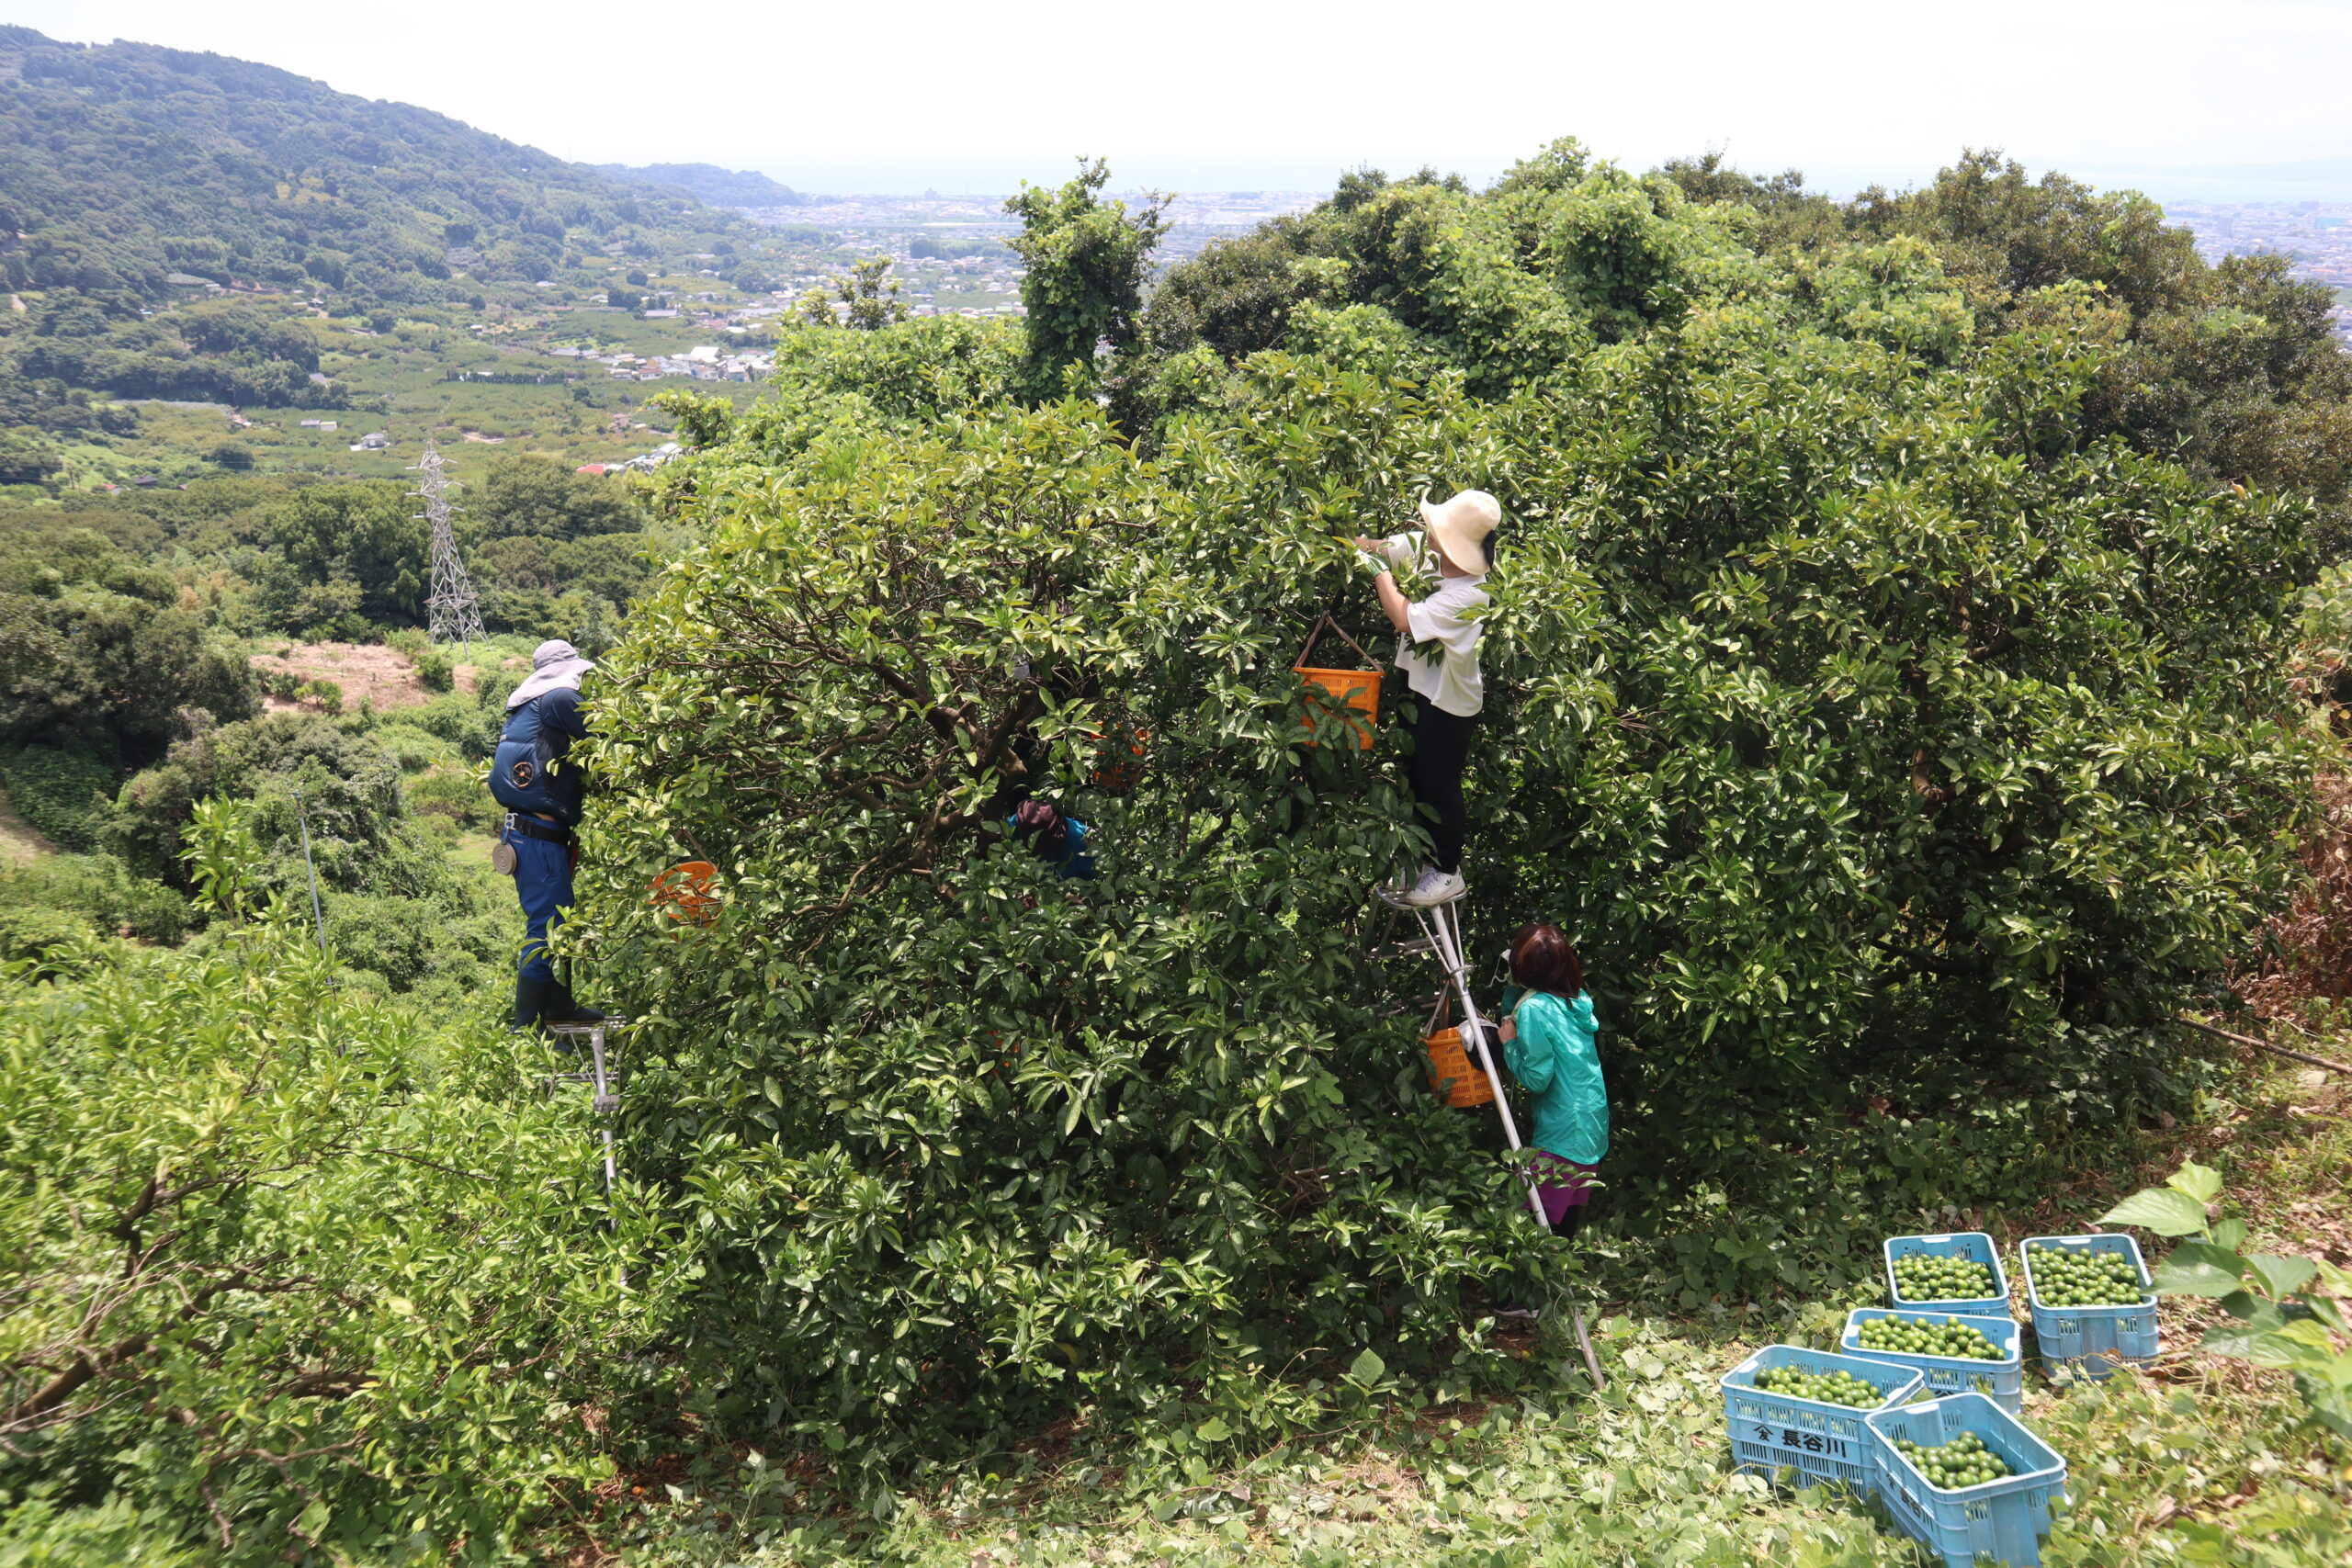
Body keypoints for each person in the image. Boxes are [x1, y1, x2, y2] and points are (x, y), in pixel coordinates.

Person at [1354, 488, 1500, 908]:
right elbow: (1378, 547)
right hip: (1418, 684)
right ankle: (1423, 863)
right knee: (1416, 778)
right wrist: (1349, 543)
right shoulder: (1428, 551)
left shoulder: (1470, 595)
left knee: (1439, 784)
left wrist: (1378, 571)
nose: (1428, 531)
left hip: (1449, 702)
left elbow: (1403, 618)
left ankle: (1447, 872)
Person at [490, 638, 605, 1028]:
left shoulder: (526, 704)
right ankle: (524, 1026)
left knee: (559, 919)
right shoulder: (559, 697)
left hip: (529, 835)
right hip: (537, 838)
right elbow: (605, 740)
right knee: (547, 927)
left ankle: (558, 1005)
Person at [1495, 922, 1607, 1237]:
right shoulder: (1575, 998)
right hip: (1590, 1123)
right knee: (1565, 1210)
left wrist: (1509, 1044)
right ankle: (1564, 1262)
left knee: (1540, 1220)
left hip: (1563, 1131)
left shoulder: (1535, 1009)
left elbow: (1537, 1079)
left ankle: (1547, 1267)